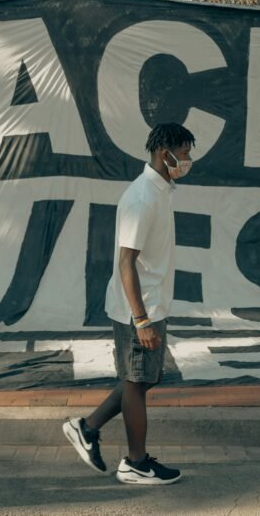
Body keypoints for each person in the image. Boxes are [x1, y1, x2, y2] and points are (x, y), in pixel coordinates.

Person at [63, 122, 194, 486]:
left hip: (152, 304)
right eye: (183, 154)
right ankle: (136, 463)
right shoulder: (142, 198)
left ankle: (86, 428)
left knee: (146, 377)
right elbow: (126, 262)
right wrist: (141, 319)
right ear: (163, 151)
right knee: (137, 381)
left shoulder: (161, 190)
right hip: (139, 308)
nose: (187, 160)